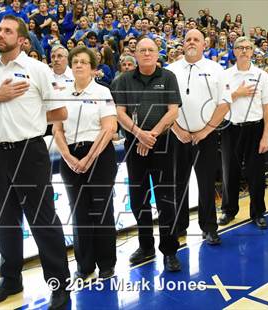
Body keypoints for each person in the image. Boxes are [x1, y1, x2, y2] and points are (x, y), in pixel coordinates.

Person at [0, 15, 70, 309]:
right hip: (0, 151)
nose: (1, 34)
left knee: (43, 221)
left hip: (30, 151)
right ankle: (10, 280)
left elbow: (60, 112)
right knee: (6, 221)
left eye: (7, 31)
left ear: (22, 39)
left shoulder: (37, 69)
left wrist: (31, 115)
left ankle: (59, 285)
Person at [113, 37, 182, 271]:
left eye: (150, 50)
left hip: (163, 144)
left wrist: (150, 134)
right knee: (138, 200)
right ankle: (146, 246)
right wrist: (139, 134)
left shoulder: (168, 77)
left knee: (165, 200)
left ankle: (170, 250)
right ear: (135, 53)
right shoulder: (123, 80)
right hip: (134, 145)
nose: (146, 53)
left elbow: (173, 111)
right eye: (142, 50)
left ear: (157, 53)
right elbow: (119, 113)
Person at [53, 46, 118, 280]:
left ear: (93, 68)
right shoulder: (62, 93)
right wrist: (69, 158)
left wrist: (89, 158)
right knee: (79, 212)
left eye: (84, 62)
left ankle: (107, 263)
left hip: (99, 155)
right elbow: (57, 129)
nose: (79, 65)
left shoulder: (103, 92)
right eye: (75, 61)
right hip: (70, 157)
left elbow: (110, 128)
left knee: (101, 211)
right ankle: (84, 265)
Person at [168, 29, 231, 244]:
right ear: (183, 44)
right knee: (178, 184)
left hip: (207, 136)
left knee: (206, 183)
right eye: (188, 39)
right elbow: (164, 106)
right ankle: (179, 226)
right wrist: (177, 130)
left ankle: (209, 227)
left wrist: (205, 131)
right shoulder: (171, 70)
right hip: (177, 137)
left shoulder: (216, 69)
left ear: (205, 44)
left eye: (197, 39)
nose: (192, 42)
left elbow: (224, 104)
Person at [218, 36, 268, 229]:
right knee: (229, 173)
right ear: (233, 51)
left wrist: (266, 135)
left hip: (255, 129)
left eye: (247, 48)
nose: (243, 51)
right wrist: (237, 94)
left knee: (256, 174)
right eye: (239, 47)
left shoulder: (262, 75)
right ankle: (229, 210)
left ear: (252, 51)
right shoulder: (224, 75)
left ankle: (258, 212)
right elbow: (219, 104)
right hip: (230, 129)